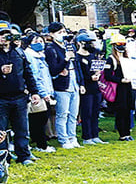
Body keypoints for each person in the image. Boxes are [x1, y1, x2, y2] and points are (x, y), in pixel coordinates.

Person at [0, 22, 40, 165]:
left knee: (22, 129)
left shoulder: (18, 52)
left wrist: (34, 92)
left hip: (19, 97)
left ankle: (24, 155)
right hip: (1, 99)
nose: (3, 39)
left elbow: (28, 74)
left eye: (5, 35)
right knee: (1, 131)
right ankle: (4, 158)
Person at [45, 22, 83, 149]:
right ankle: (63, 138)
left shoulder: (70, 46)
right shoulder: (51, 49)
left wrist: (81, 82)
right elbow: (54, 69)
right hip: (62, 85)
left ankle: (72, 137)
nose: (63, 35)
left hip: (74, 82)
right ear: (51, 34)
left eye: (64, 32)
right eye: (59, 32)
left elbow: (77, 65)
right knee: (62, 113)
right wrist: (65, 60)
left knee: (73, 113)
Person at [75, 31, 107, 145]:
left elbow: (97, 68)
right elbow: (79, 73)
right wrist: (89, 78)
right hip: (86, 87)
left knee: (95, 111)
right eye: (89, 43)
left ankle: (95, 135)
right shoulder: (77, 57)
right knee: (86, 112)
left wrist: (98, 74)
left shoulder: (93, 55)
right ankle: (87, 136)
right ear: (81, 43)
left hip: (95, 87)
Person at [103, 35, 136, 141]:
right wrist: (120, 80)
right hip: (118, 88)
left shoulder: (127, 58)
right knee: (121, 111)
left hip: (128, 87)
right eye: (119, 44)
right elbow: (108, 76)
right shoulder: (111, 59)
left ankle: (127, 132)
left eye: (123, 44)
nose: (122, 46)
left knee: (128, 110)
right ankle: (122, 134)